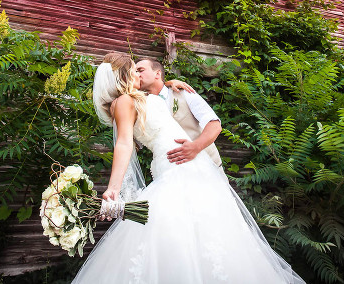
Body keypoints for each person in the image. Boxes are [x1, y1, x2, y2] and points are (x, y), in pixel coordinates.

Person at [71, 52, 305, 283]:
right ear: (123, 76)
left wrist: (168, 83)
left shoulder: (146, 96)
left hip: (195, 166)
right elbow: (124, 143)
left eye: (140, 70)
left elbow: (205, 121)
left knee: (212, 230)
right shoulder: (123, 102)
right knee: (181, 231)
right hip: (174, 167)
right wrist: (114, 187)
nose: (138, 75)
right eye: (134, 70)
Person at [135, 58, 223, 169]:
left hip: (208, 166)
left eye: (140, 70)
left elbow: (214, 124)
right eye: (135, 72)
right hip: (172, 171)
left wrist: (195, 147)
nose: (137, 74)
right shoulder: (140, 106)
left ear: (157, 74)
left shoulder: (183, 92)